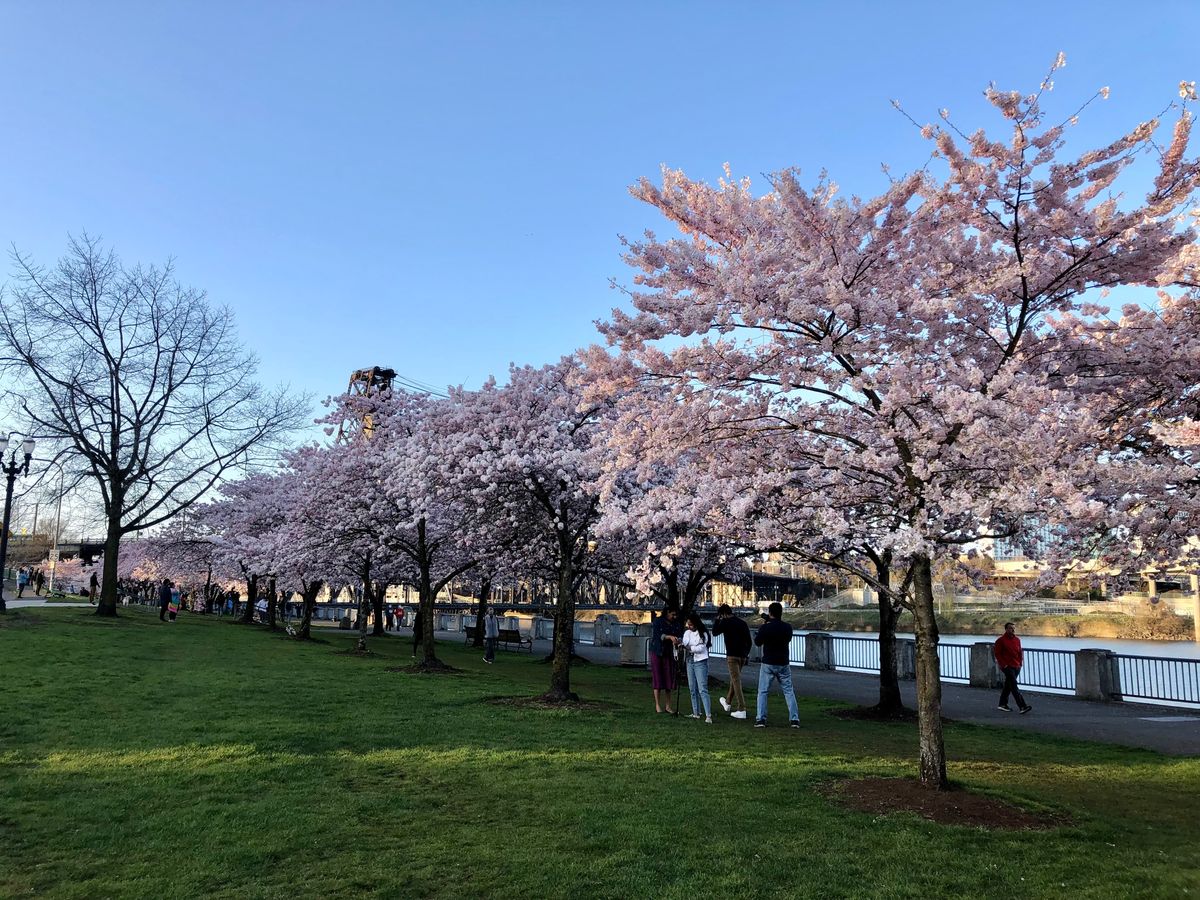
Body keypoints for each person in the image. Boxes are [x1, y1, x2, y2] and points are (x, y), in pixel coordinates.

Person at [754, 602, 800, 728]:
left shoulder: (766, 628)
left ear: (770, 613)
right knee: (788, 691)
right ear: (781, 613)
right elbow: (788, 639)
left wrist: (763, 627)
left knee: (763, 691)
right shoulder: (787, 627)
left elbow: (757, 642)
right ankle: (794, 719)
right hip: (783, 662)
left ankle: (761, 719)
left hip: (768, 662)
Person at [712, 604, 751, 719]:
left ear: (723, 614)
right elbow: (749, 641)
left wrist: (717, 621)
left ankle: (741, 708)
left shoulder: (725, 623)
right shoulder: (742, 623)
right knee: (734, 679)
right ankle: (728, 702)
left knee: (736, 680)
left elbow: (714, 632)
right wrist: (746, 653)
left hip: (732, 656)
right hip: (742, 656)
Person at [648, 606, 683, 714]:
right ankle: (657, 705)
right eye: (672, 614)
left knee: (669, 679)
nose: (674, 617)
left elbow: (680, 635)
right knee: (658, 678)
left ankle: (668, 706)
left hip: (669, 653)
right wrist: (669, 637)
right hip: (658, 652)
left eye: (675, 615)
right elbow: (659, 635)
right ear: (667, 613)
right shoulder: (658, 621)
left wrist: (678, 640)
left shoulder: (676, 624)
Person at [681, 611, 713, 723]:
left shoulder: (703, 633)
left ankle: (708, 715)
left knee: (702, 688)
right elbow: (685, 642)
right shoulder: (687, 633)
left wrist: (690, 648)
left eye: (691, 624)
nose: (689, 626)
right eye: (688, 624)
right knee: (692, 688)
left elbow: (701, 648)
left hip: (700, 661)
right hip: (690, 660)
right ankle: (696, 712)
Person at [993, 622, 1032, 714]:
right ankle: (1022, 706)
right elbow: (997, 654)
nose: (1013, 630)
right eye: (1011, 628)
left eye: (1014, 628)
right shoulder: (1000, 640)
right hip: (1007, 666)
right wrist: (1004, 665)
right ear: (1006, 629)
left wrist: (1020, 664)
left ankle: (1002, 704)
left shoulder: (1017, 640)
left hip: (1016, 666)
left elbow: (1019, 652)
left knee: (1008, 685)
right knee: (1014, 686)